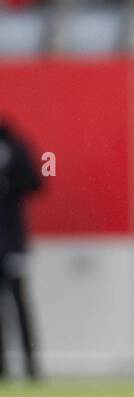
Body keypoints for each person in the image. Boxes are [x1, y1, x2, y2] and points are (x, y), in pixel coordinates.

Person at [0, 119, 42, 381]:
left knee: (19, 303)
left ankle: (30, 363)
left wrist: (8, 185)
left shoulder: (15, 147)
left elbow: (36, 183)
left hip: (12, 241)